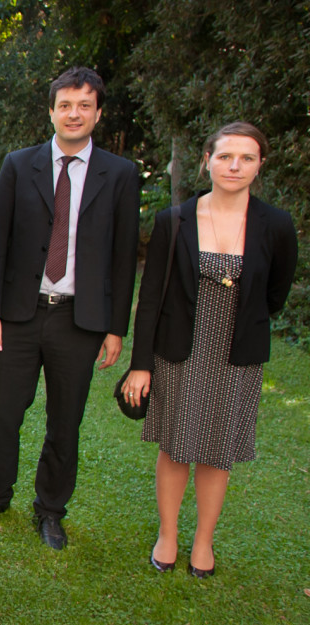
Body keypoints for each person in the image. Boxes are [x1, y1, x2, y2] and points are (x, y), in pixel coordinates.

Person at [0, 67, 140, 550]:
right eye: (65, 105)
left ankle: (50, 510)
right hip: (18, 315)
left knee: (65, 421)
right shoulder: (20, 165)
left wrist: (115, 328)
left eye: (84, 105)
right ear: (51, 111)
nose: (74, 113)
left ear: (98, 113)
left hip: (79, 320)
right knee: (4, 413)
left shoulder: (120, 175)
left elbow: (124, 257)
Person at [122, 122, 297, 577]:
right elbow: (151, 298)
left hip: (236, 356)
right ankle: (168, 534)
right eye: (225, 156)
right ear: (207, 161)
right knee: (175, 447)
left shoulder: (276, 225)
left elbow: (275, 293)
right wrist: (140, 365)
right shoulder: (175, 220)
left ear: (260, 165)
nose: (234, 166)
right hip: (179, 351)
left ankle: (203, 541)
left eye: (247, 158)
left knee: (217, 451)